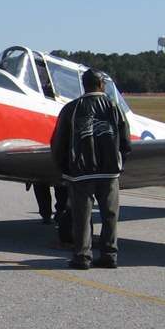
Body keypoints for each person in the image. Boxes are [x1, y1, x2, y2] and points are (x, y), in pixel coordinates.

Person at [50, 70, 131, 269]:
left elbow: (58, 142)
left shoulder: (71, 108)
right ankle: (109, 255)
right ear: (101, 85)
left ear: (83, 85)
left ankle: (82, 257)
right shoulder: (114, 107)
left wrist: (64, 167)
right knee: (110, 215)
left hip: (80, 173)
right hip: (109, 172)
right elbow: (126, 140)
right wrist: (119, 162)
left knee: (81, 216)